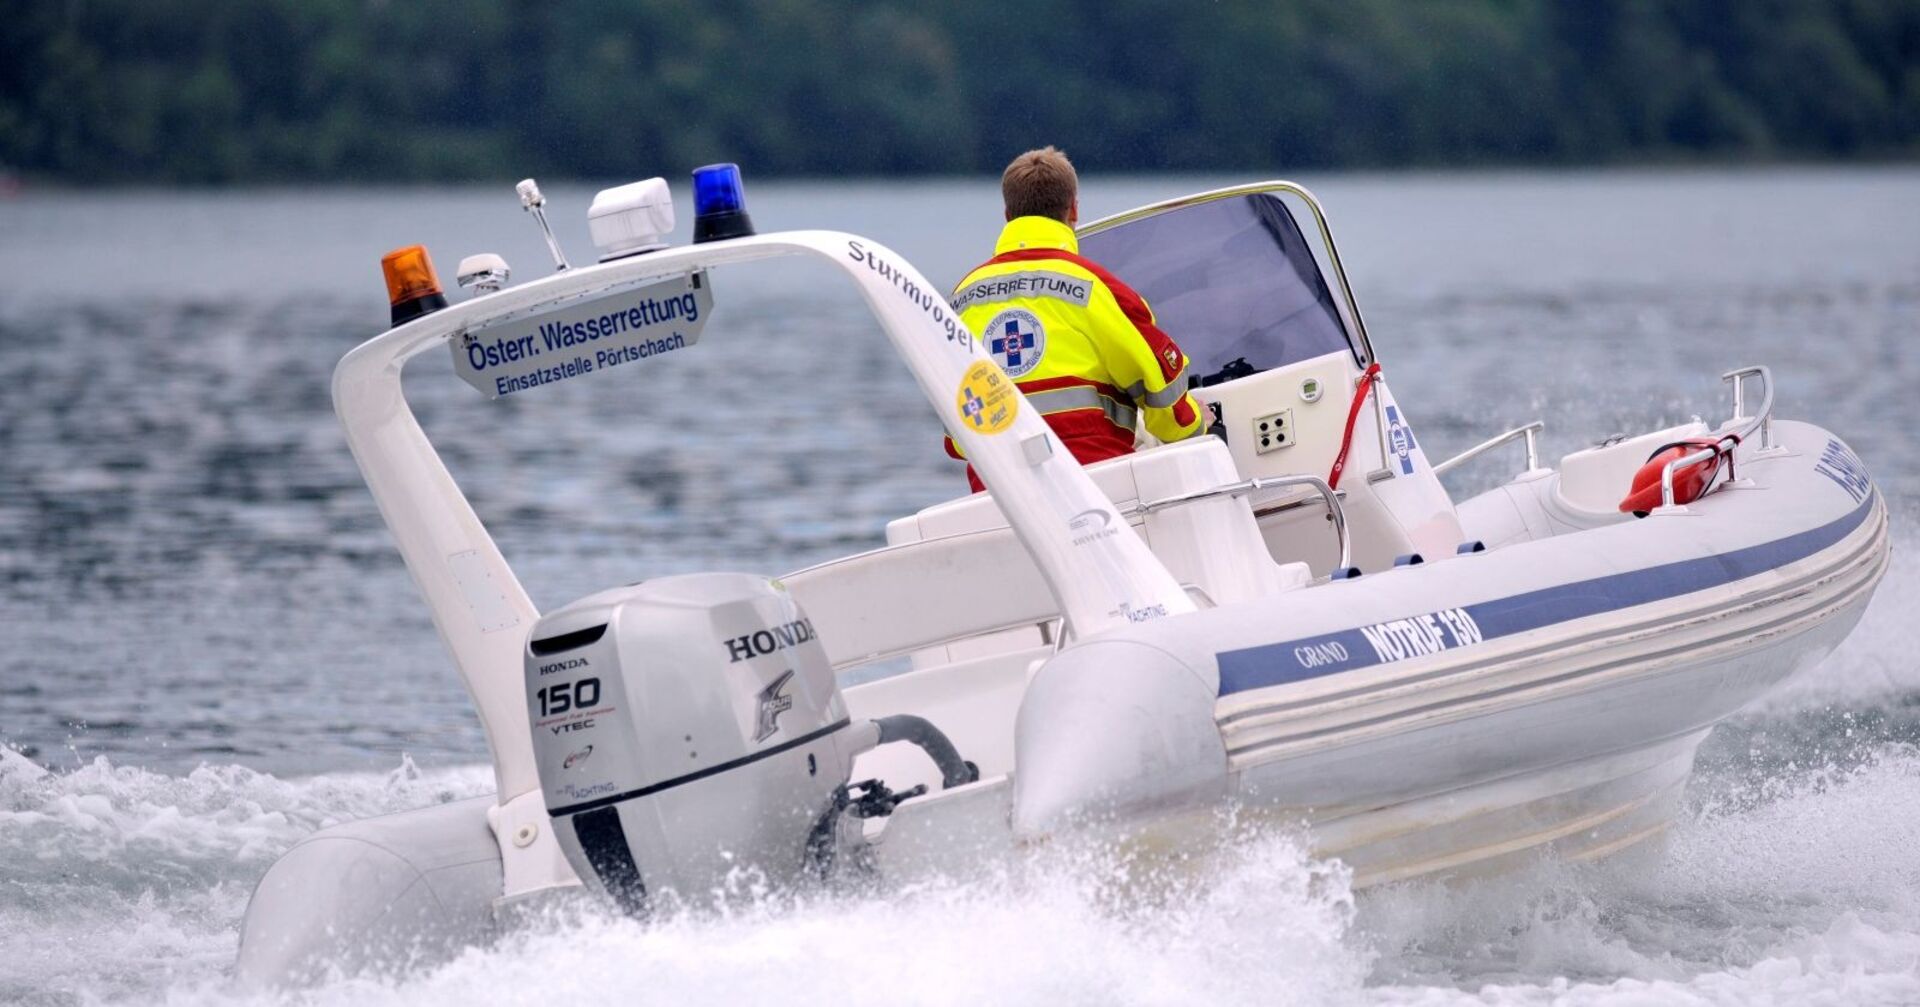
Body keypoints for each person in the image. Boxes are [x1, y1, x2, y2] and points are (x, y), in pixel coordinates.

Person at [947, 147, 1203, 492]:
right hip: (1097, 491)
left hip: (1002, 500)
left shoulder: (960, 301)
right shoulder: (1098, 289)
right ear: (1074, 209)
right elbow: (1166, 400)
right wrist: (1198, 426)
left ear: (1008, 215)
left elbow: (957, 438)